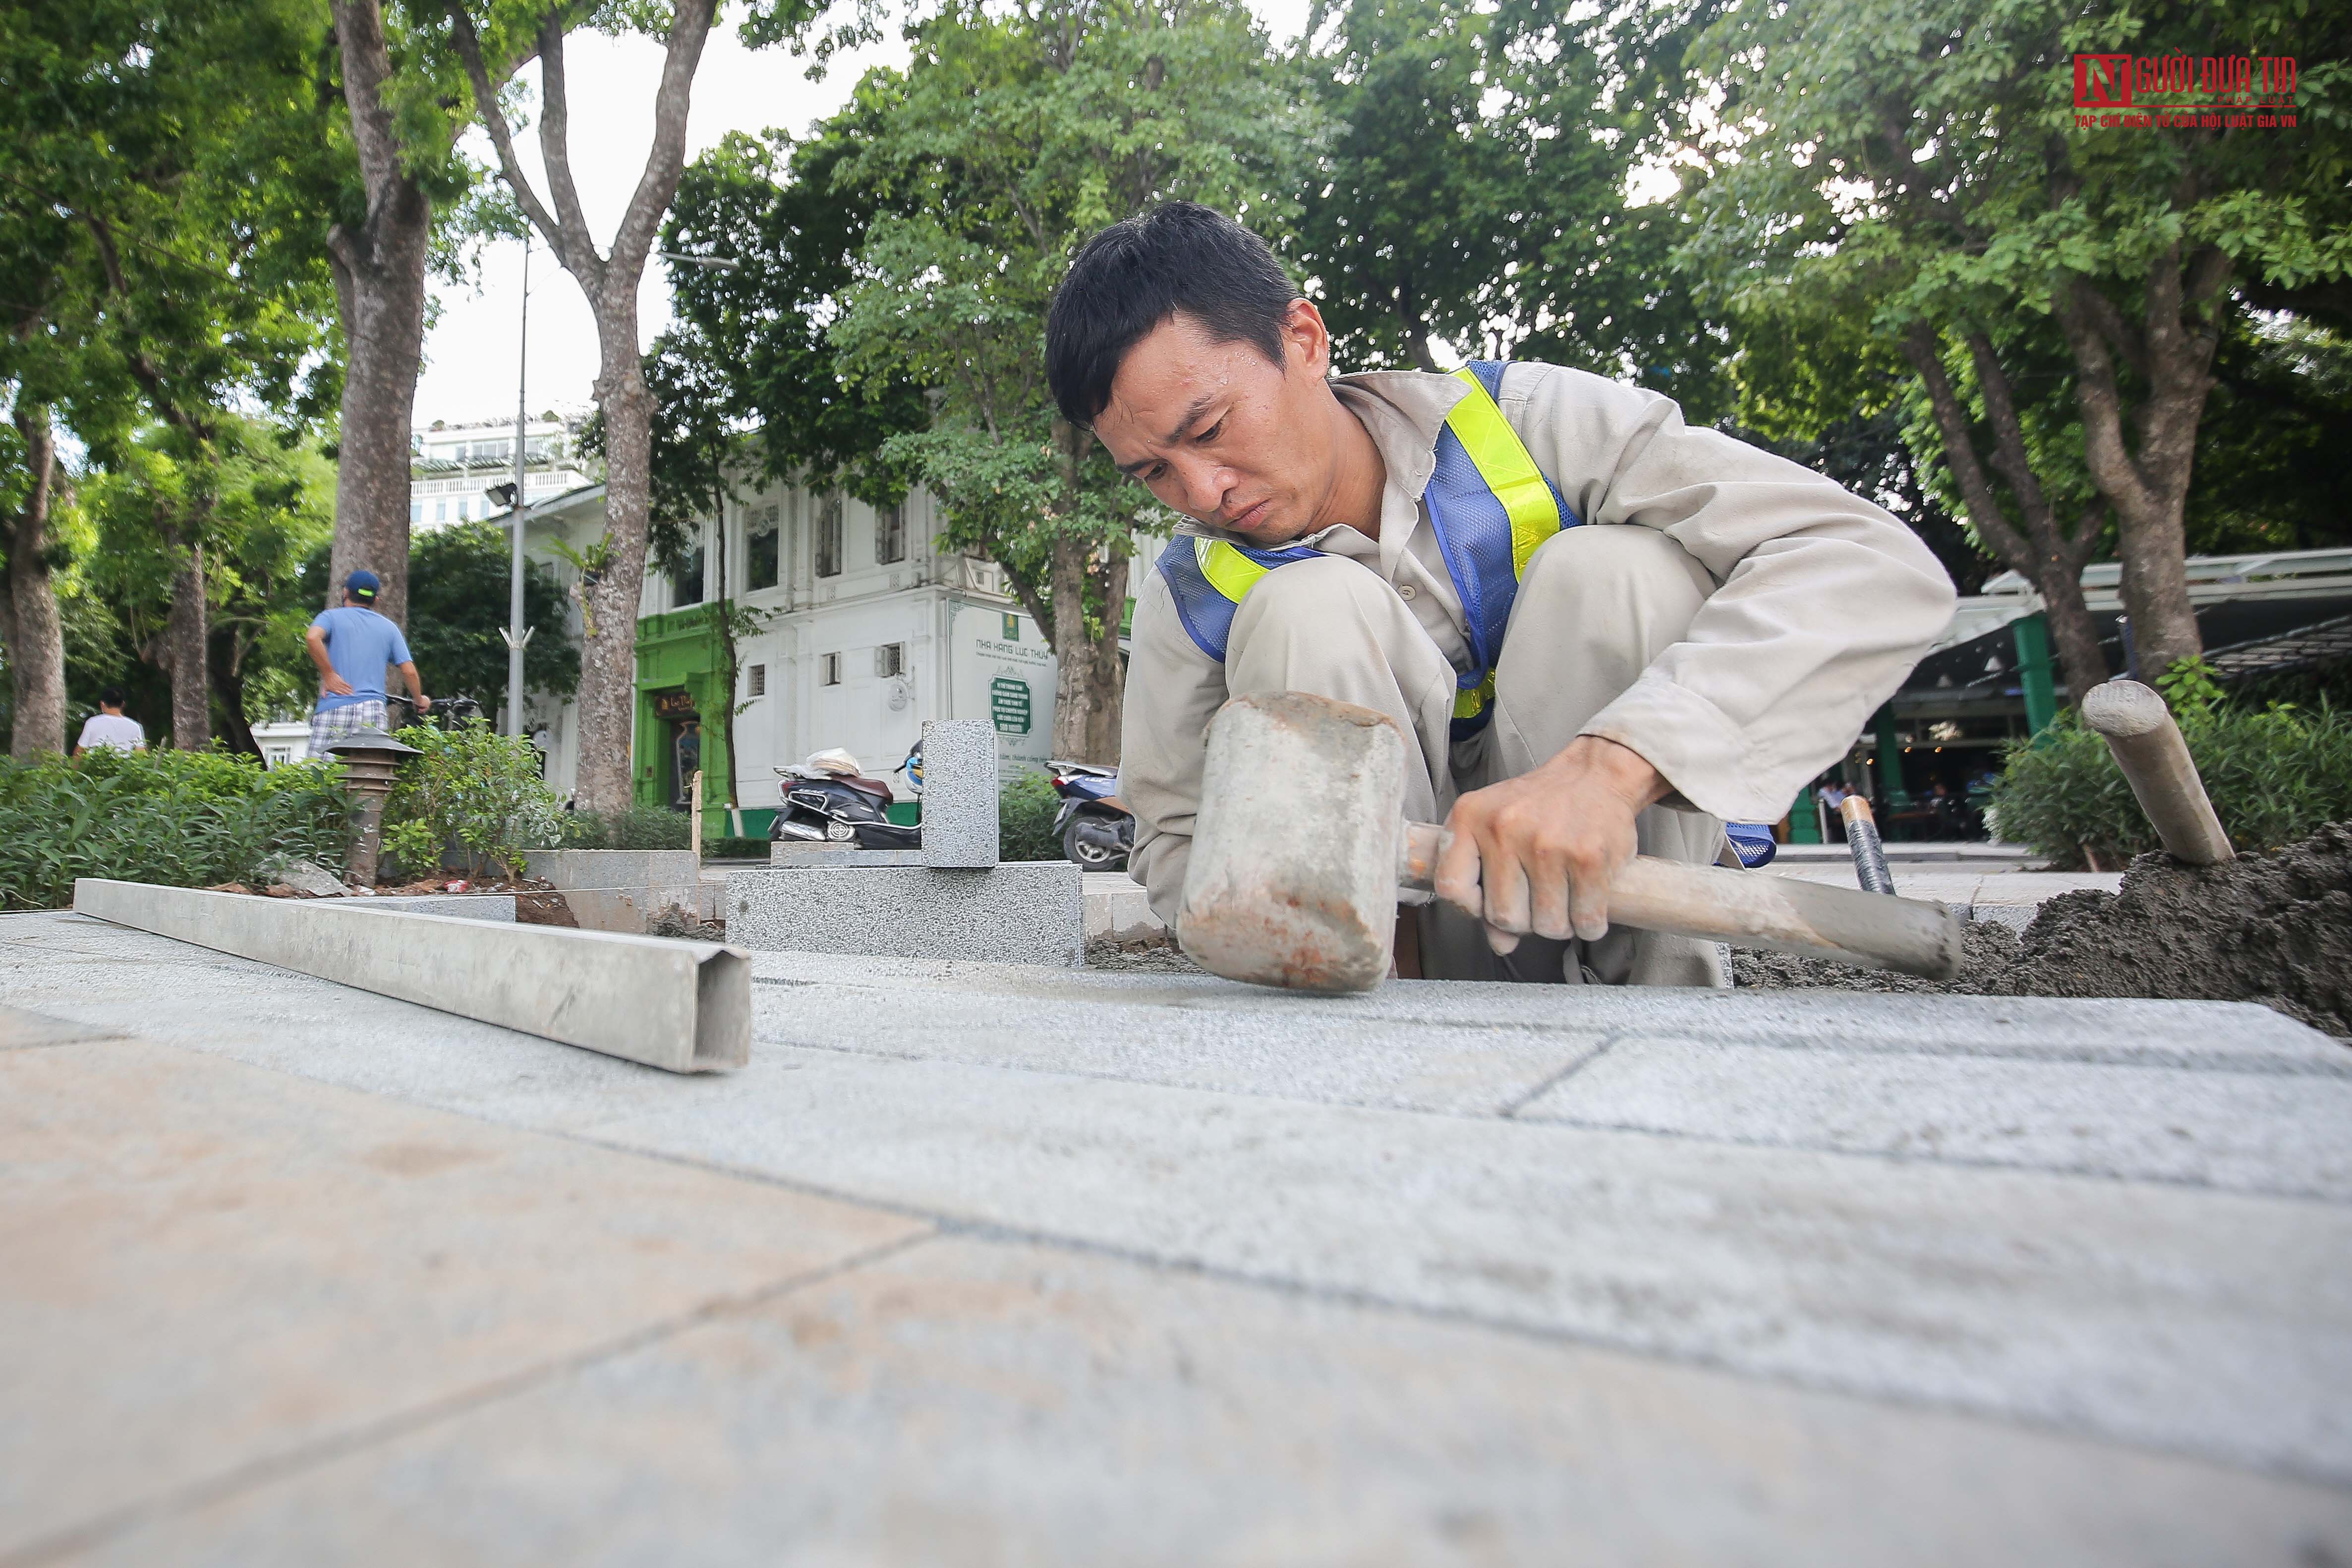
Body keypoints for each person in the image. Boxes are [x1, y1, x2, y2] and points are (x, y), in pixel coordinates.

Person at [1046, 203, 1956, 986]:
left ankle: (1658, 1016)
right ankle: (1372, 1037)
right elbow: (1170, 851)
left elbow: (1869, 560)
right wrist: (1279, 872)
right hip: (1384, 984)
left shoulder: (1530, 429)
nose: (1203, 492)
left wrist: (1606, 774)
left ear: (1304, 340)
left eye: (1209, 428)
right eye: (1155, 471)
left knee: (1620, 574)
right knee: (1307, 607)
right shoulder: (1194, 591)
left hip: (1619, 909)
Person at [306, 570, 428, 754]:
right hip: (373, 712)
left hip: (335, 706)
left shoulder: (330, 617)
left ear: (345, 592)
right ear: (376, 600)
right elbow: (409, 671)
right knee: (369, 774)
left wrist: (329, 675)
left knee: (319, 775)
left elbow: (312, 638)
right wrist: (419, 700)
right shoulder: (389, 628)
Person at [73, 689, 146, 756]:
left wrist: (74, 768)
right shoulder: (135, 726)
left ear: (102, 704)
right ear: (123, 704)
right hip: (123, 768)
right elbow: (141, 754)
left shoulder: (92, 722)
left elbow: (80, 751)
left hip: (96, 767)